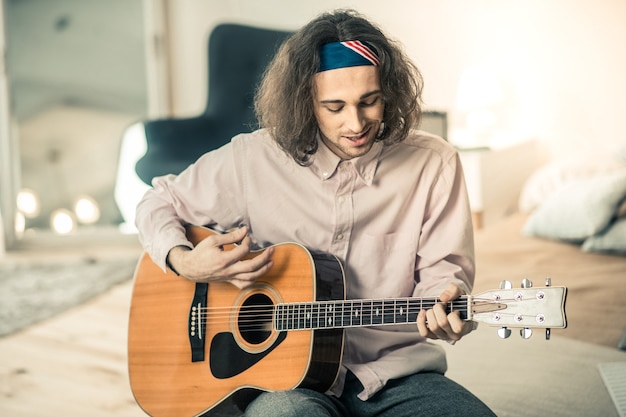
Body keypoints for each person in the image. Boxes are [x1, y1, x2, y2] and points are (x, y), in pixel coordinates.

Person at [135, 8, 496, 417]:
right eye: (334, 106)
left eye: (369, 101)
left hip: (395, 375)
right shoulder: (252, 159)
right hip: (279, 382)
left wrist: (449, 306)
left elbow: (443, 278)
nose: (355, 123)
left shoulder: (434, 164)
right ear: (305, 102)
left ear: (389, 93)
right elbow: (156, 201)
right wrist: (185, 261)